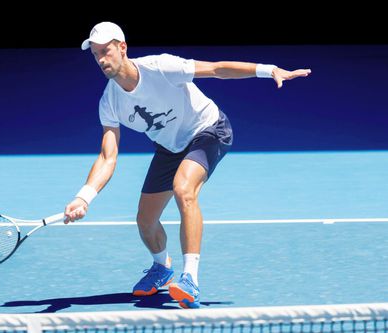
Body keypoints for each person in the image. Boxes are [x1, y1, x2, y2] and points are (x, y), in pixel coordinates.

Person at [64, 21, 311, 309]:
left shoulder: (161, 67)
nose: (102, 59)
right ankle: (161, 268)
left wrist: (268, 70)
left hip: (208, 130)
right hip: (171, 147)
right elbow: (108, 156)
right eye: (96, 54)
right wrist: (84, 197)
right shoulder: (110, 101)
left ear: (122, 47)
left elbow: (217, 69)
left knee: (184, 189)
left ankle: (189, 277)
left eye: (106, 51)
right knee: (145, 220)